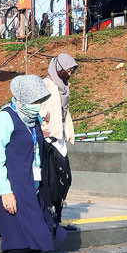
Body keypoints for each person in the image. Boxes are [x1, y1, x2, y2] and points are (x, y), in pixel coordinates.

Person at [0, 75, 67, 253]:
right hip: (13, 186)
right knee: (29, 235)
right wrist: (5, 190)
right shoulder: (4, 119)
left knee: (45, 233)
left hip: (34, 187)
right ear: (22, 98)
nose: (38, 105)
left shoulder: (32, 121)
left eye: (40, 100)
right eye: (35, 100)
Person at [41, 53, 79, 225]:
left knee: (66, 177)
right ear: (59, 68)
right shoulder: (46, 84)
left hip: (61, 137)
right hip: (49, 138)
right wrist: (44, 120)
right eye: (68, 70)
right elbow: (37, 107)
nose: (70, 73)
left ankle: (58, 215)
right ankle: (50, 217)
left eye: (72, 70)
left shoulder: (65, 87)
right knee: (52, 179)